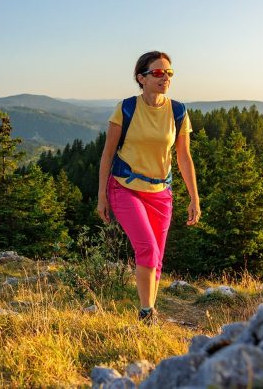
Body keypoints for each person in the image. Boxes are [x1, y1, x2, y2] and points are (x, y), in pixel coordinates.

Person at [96, 51, 201, 323]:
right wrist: (101, 196)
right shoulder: (126, 108)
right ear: (141, 78)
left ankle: (150, 311)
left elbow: (183, 157)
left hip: (160, 194)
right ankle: (146, 312)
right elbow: (107, 154)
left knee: (157, 257)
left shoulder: (178, 111)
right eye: (157, 73)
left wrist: (194, 198)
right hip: (125, 188)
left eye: (169, 73)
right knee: (147, 249)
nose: (164, 77)